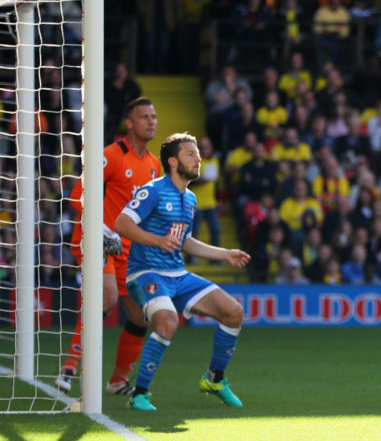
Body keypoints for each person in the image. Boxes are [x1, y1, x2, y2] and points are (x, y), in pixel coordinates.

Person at [115, 133, 251, 411]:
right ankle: (139, 394)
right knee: (167, 322)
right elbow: (122, 223)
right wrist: (157, 241)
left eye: (198, 153)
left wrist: (225, 253)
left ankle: (214, 379)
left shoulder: (190, 198)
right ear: (173, 161)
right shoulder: (153, 190)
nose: (198, 158)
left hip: (177, 274)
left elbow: (184, 241)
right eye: (191, 154)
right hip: (146, 273)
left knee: (234, 312)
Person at [56, 97, 162, 396]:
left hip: (129, 248)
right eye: (144, 117)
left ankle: (117, 380)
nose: (151, 121)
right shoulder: (110, 155)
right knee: (107, 296)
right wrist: (100, 227)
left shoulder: (154, 165)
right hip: (97, 239)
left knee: (141, 316)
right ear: (129, 123)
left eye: (154, 116)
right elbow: (77, 195)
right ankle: (69, 366)